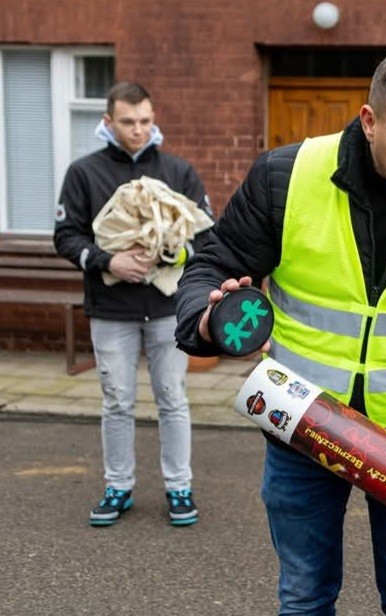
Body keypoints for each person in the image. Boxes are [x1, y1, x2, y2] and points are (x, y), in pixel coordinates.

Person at [174, 46, 386, 615]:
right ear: (369, 121)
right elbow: (211, 265)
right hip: (301, 423)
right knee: (305, 595)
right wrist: (206, 321)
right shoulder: (284, 178)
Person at [54, 81, 212, 527]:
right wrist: (110, 260)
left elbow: (205, 235)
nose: (138, 130)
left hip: (167, 310)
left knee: (172, 398)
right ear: (108, 122)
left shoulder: (179, 171)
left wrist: (170, 254)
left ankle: (179, 487)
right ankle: (118, 487)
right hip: (111, 308)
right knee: (117, 401)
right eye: (128, 122)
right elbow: (65, 237)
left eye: (145, 121)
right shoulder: (83, 173)